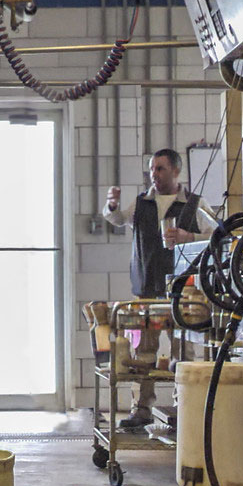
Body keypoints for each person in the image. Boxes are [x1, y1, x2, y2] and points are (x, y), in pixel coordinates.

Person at [103, 148, 217, 429]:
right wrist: (112, 206)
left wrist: (189, 236)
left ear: (176, 171)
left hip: (183, 292)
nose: (154, 174)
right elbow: (117, 220)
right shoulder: (141, 203)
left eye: (160, 169)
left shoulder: (194, 203)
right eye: (152, 169)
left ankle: (184, 407)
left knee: (184, 351)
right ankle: (140, 409)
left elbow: (218, 234)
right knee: (142, 352)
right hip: (146, 288)